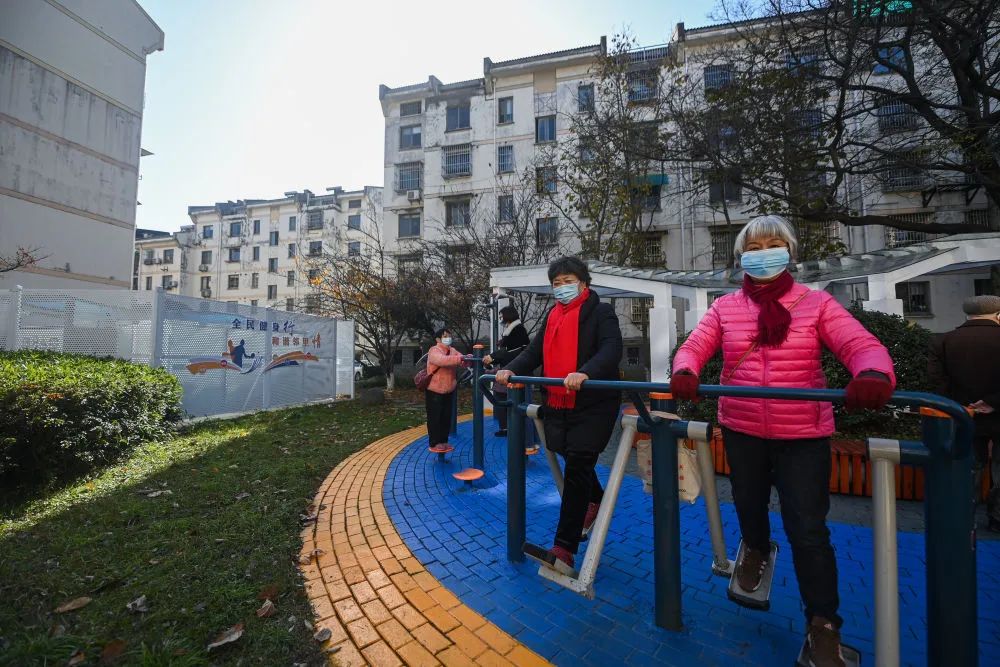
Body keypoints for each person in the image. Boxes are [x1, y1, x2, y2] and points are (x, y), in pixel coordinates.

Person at [671, 215, 895, 667]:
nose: (764, 254)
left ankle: (823, 623)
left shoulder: (816, 304)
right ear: (742, 257)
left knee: (808, 529)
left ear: (789, 252)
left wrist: (872, 372)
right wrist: (686, 369)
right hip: (743, 427)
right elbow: (695, 345)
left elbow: (858, 343)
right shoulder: (726, 307)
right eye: (754, 248)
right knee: (748, 502)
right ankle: (755, 548)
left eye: (773, 244)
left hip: (803, 433)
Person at [496, 256, 623, 575]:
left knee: (578, 466)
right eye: (557, 283)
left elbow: (611, 350)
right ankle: (594, 498)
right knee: (565, 451)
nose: (562, 288)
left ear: (584, 283)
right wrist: (510, 369)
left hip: (592, 403)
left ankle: (564, 549)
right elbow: (534, 352)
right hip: (558, 400)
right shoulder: (552, 316)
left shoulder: (601, 312)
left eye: (568, 281)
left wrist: (585, 372)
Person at [928, 294, 1000, 531]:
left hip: (963, 414)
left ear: (967, 314)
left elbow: (937, 381)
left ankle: (964, 518)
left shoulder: (943, 341)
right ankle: (997, 518)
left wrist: (962, 406)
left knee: (968, 467)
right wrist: (992, 402)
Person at [484, 305, 530, 437]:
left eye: (501, 315)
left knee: (505, 399)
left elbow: (509, 351)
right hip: (512, 369)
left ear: (508, 315)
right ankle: (509, 427)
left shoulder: (517, 330)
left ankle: (510, 429)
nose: (500, 318)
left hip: (513, 371)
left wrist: (492, 357)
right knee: (506, 399)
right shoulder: (513, 330)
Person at [424, 328, 465, 451]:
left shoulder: (452, 350)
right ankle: (435, 442)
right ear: (438, 339)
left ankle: (443, 441)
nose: (448, 338)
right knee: (435, 417)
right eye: (445, 336)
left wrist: (467, 359)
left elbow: (461, 359)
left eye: (449, 335)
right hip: (434, 390)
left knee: (446, 417)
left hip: (448, 389)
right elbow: (442, 361)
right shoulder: (434, 350)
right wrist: (459, 359)